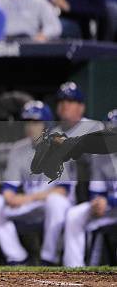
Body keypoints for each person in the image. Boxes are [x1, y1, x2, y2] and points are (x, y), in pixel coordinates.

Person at [0, 101, 74, 265]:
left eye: (35, 122)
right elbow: (9, 188)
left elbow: (62, 191)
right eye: (27, 122)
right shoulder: (18, 149)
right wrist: (10, 197)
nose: (30, 126)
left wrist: (25, 199)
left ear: (46, 125)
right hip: (29, 206)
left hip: (50, 205)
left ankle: (49, 258)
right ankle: (17, 257)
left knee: (57, 203)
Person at [62, 110, 117, 267]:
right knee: (74, 215)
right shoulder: (102, 156)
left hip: (111, 204)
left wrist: (108, 201)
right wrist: (97, 202)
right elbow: (96, 191)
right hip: (109, 209)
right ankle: (74, 269)